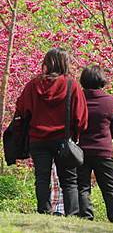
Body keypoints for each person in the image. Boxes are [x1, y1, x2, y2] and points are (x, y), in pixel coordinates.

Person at [14, 47, 88, 215]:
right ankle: (72, 213)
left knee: (42, 177)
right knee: (69, 180)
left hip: (38, 139)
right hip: (63, 139)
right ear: (65, 63)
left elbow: (22, 108)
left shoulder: (33, 84)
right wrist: (77, 133)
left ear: (47, 63)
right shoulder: (72, 85)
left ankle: (43, 210)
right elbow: (80, 117)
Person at [77, 65, 113, 224]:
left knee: (82, 187)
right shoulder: (109, 101)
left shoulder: (78, 99)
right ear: (102, 81)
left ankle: (85, 217)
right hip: (103, 151)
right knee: (110, 189)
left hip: (81, 150)